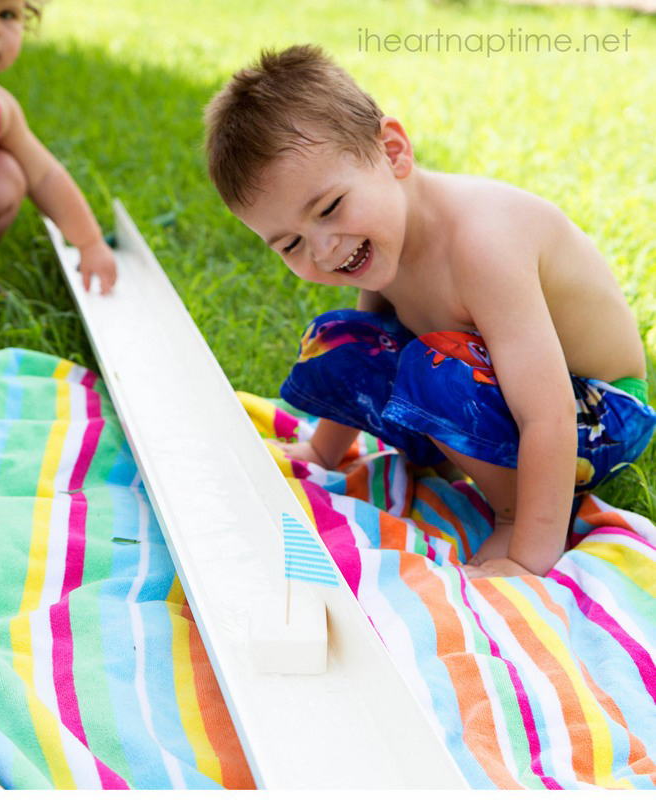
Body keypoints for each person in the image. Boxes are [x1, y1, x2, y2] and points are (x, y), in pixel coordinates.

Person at [204, 44, 656, 579]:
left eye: (329, 209)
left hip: (595, 415)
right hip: (500, 393)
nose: (323, 249)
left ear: (393, 152)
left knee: (428, 366)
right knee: (340, 339)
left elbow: (548, 411)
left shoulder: (483, 243)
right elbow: (370, 342)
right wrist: (324, 453)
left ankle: (513, 509)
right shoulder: (381, 244)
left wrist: (525, 549)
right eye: (289, 244)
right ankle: (430, 452)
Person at [0, 0, 116, 293]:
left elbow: (45, 176)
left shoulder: (2, 110)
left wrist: (89, 242)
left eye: (6, 14)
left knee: (10, 176)